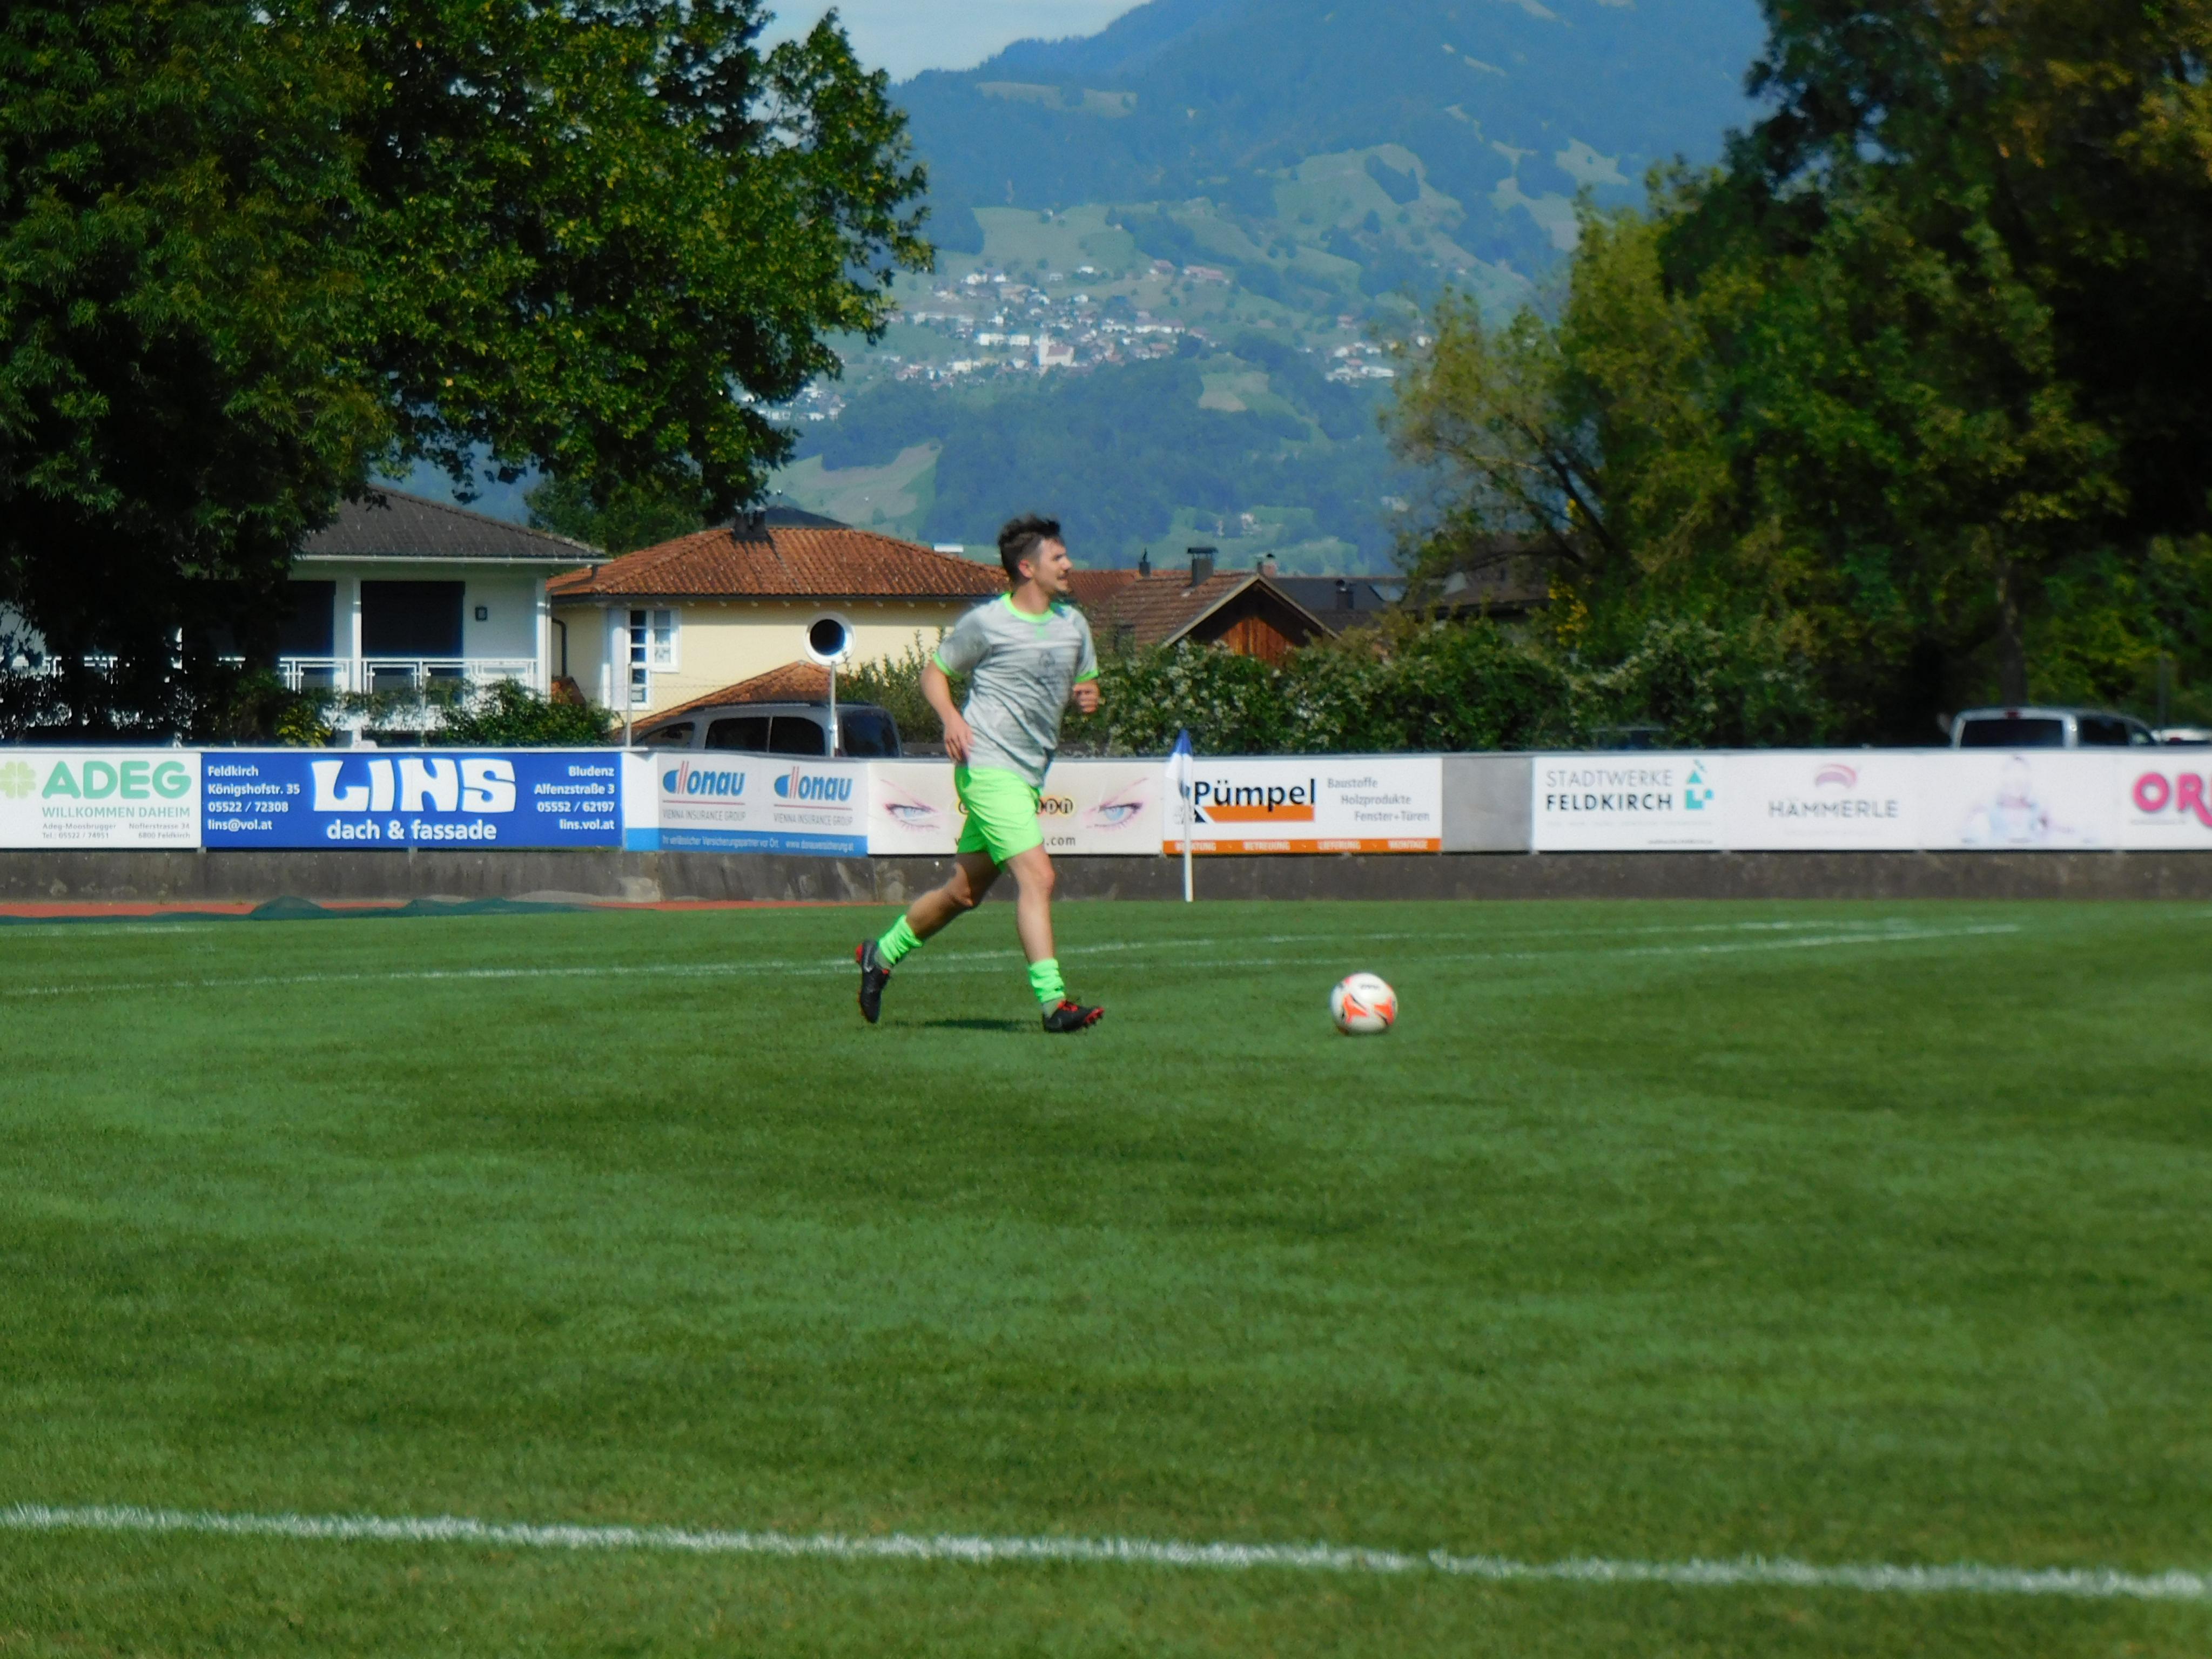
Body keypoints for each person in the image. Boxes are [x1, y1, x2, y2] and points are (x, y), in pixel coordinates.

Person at [856, 514, 1104, 1032]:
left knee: (963, 894)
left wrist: (1087, 698)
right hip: (987, 766)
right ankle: (1053, 1005)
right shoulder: (987, 623)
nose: (1068, 564)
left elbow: (1084, 685)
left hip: (1028, 775)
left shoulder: (1073, 626)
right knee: (1039, 876)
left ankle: (881, 954)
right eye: (1058, 557)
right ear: (1026, 568)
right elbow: (934, 673)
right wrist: (951, 718)